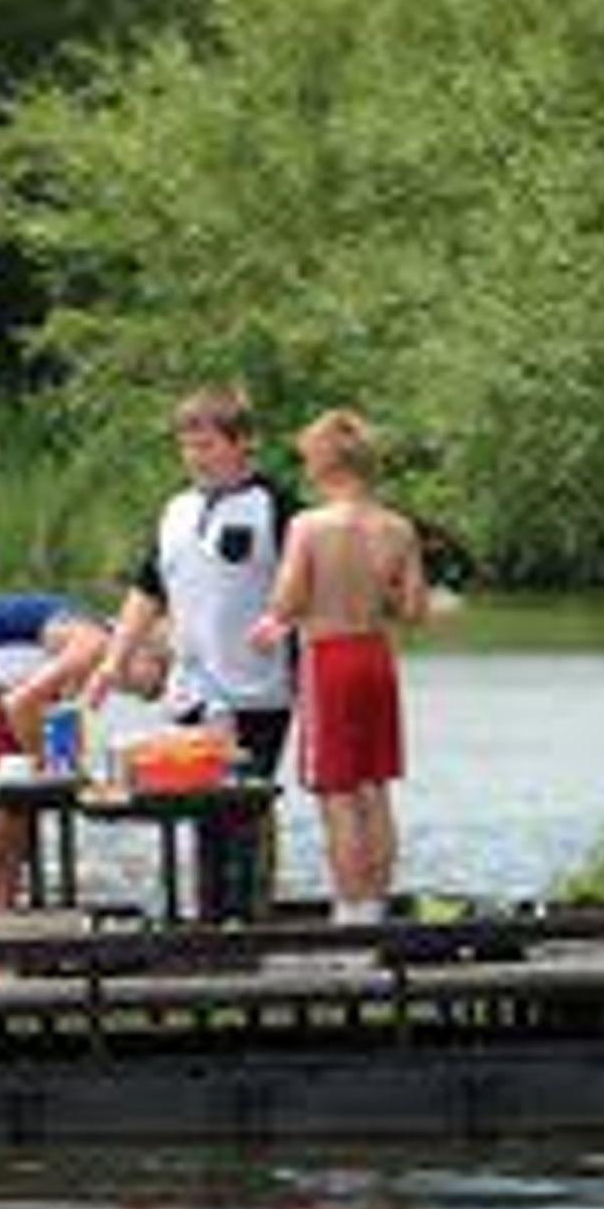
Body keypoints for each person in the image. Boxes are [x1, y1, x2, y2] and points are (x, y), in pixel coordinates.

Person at [85, 386, 293, 919]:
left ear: (243, 443)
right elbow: (147, 590)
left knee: (245, 806)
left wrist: (288, 624)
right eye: (188, 446)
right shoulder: (176, 509)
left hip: (257, 688)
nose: (195, 457)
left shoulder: (276, 505)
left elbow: (308, 584)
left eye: (208, 445)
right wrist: (113, 661)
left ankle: (249, 917)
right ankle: (207, 915)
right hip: (192, 686)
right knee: (198, 807)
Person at [247, 409, 429, 925]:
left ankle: (351, 918)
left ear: (323, 462)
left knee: (337, 794)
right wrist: (380, 592)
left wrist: (272, 624)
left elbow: (286, 599)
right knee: (375, 788)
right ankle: (375, 908)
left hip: (329, 660)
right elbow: (415, 611)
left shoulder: (309, 525)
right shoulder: (399, 528)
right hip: (376, 657)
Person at [0, 592, 166, 917]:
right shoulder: (93, 643)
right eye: (148, 686)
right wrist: (50, 769)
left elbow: (45, 714)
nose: (132, 693)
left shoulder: (89, 646)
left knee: (23, 798)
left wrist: (61, 763)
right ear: (143, 652)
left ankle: (1, 911)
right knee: (13, 794)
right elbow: (20, 703)